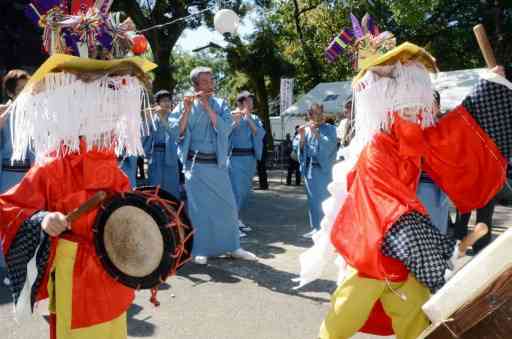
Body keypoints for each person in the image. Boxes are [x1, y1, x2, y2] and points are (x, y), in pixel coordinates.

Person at [296, 13, 510, 339]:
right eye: (406, 111)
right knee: (343, 319)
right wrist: (428, 247)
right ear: (387, 108)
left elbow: (455, 137)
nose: (415, 115)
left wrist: (491, 87)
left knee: (415, 320)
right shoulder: (376, 149)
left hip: (404, 257)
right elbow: (387, 201)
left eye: (417, 110)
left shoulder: (418, 140)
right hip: (373, 253)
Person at [0, 3, 156, 338]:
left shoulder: (109, 162)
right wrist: (43, 220)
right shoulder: (54, 162)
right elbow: (8, 207)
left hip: (112, 268)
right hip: (74, 272)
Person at [170, 67, 256, 265]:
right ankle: (201, 249)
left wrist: (208, 107)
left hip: (217, 164)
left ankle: (233, 246)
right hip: (195, 164)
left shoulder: (221, 104)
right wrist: (187, 109)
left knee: (228, 206)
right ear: (196, 85)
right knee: (200, 210)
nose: (210, 85)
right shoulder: (186, 104)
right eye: (205, 82)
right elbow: (177, 132)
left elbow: (226, 129)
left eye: (211, 81)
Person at [295, 104, 337, 238]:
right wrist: (302, 137)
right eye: (314, 114)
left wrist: (317, 134)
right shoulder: (306, 129)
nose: (317, 117)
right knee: (312, 200)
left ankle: (325, 229)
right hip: (310, 169)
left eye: (319, 113)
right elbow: (299, 150)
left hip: (323, 169)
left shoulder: (330, 129)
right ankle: (315, 227)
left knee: (324, 199)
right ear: (309, 115)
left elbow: (330, 146)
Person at [229, 91, 265, 236]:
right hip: (235, 158)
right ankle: (232, 224)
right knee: (236, 191)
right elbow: (224, 133)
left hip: (249, 158)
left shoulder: (254, 117)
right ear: (240, 103)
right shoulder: (231, 115)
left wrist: (248, 118)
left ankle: (237, 219)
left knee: (244, 191)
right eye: (248, 102)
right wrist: (235, 121)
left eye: (251, 102)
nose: (251, 104)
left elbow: (259, 133)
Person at [416, 90, 450, 234]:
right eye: (425, 104)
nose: (429, 107)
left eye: (433, 104)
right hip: (423, 184)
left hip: (443, 186)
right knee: (427, 226)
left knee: (440, 223)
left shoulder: (446, 127)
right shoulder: (415, 127)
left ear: (438, 106)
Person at [142, 90, 181, 198]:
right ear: (157, 104)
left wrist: (162, 117)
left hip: (170, 155)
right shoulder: (153, 117)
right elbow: (144, 136)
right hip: (155, 156)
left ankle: (173, 211)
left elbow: (175, 134)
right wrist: (147, 120)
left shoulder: (175, 117)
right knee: (155, 185)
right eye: (163, 101)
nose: (167, 103)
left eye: (168, 101)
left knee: (171, 186)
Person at [0, 69, 33, 193]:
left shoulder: (36, 114)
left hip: (31, 179)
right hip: (7, 178)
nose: (25, 93)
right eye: (20, 90)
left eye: (27, 89)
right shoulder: (3, 114)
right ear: (10, 92)